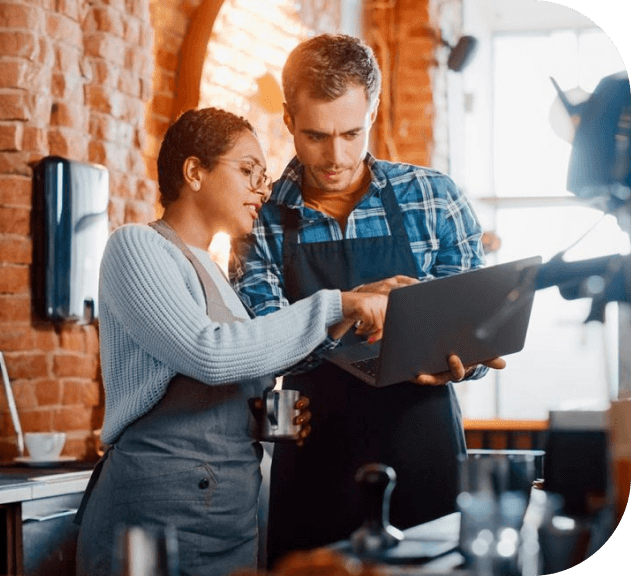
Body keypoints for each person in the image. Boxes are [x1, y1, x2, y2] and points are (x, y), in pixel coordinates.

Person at [74, 107, 413, 576]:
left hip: (227, 516)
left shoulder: (214, 270)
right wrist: (338, 305)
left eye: (265, 175)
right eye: (248, 170)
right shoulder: (136, 246)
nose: (263, 188)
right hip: (156, 516)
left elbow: (228, 369)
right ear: (194, 172)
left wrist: (261, 419)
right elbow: (209, 353)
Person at [230, 34, 506, 565]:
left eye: (351, 132)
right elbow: (262, 345)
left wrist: (464, 363)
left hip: (424, 444)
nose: (335, 156)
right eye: (315, 135)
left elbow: (474, 333)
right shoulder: (257, 217)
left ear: (373, 111)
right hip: (315, 455)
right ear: (288, 119)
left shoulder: (435, 198)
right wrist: (352, 304)